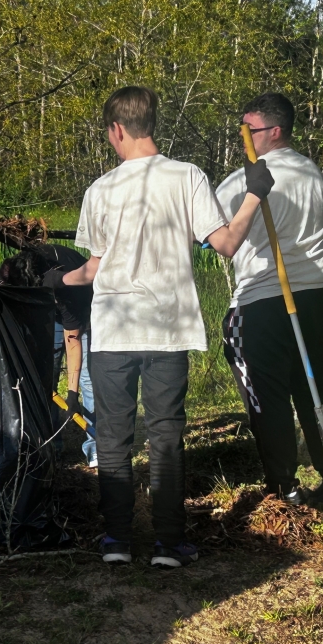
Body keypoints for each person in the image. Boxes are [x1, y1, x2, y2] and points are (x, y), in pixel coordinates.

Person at [47, 86, 274, 568]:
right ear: (152, 122)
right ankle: (170, 543)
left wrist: (53, 279)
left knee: (112, 435)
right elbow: (228, 243)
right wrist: (254, 193)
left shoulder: (101, 189)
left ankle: (117, 541)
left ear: (117, 130)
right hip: (168, 329)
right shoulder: (188, 176)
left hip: (112, 330)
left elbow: (91, 270)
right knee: (166, 434)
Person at [215, 92, 323, 507]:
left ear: (274, 131)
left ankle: (283, 487)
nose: (243, 138)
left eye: (248, 130)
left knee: (265, 391)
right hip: (314, 289)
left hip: (265, 294)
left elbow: (215, 236)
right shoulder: (311, 171)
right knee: (309, 380)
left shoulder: (242, 181)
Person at [0, 246, 97, 466]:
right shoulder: (11, 272)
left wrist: (71, 394)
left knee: (88, 377)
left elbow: (73, 342)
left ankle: (96, 446)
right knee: (46, 373)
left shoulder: (66, 288)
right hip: (47, 306)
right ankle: (50, 443)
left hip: (85, 306)